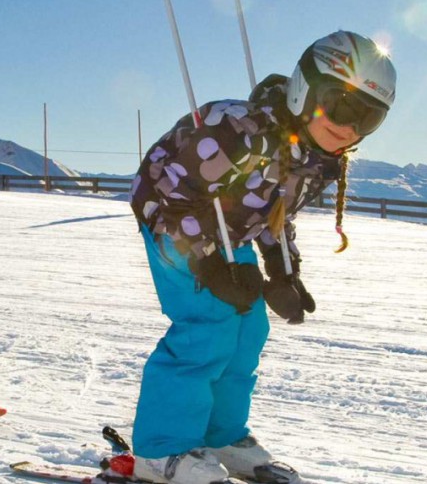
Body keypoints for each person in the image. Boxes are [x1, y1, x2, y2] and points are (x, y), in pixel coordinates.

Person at [125, 31, 395, 484]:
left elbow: (275, 213)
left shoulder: (319, 157)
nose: (350, 128)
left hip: (233, 233)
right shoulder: (234, 129)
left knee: (250, 328)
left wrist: (284, 271)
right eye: (343, 106)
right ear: (305, 90)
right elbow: (171, 194)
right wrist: (209, 263)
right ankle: (161, 450)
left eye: (369, 119)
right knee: (208, 325)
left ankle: (220, 436)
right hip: (174, 221)